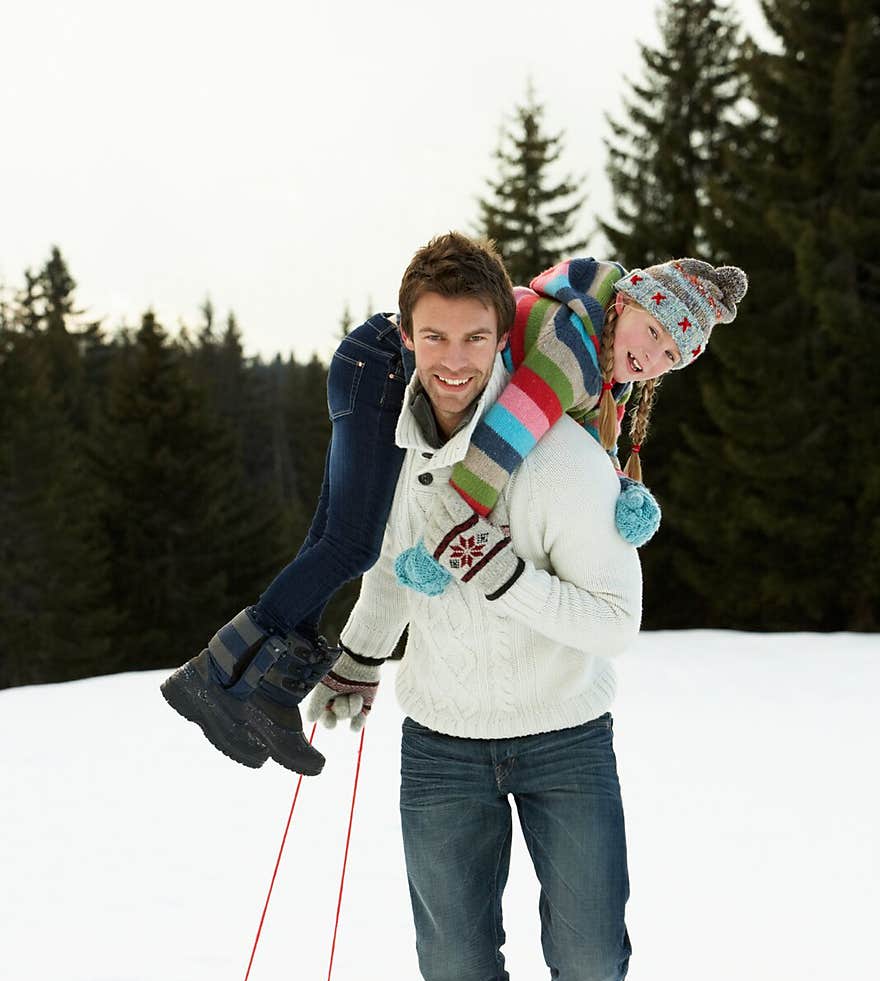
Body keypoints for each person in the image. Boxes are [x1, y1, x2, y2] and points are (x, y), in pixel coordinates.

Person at [302, 231, 748, 981]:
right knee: (454, 964)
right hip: (442, 737)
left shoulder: (564, 459)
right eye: (432, 338)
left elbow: (615, 621)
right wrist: (359, 659)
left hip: (563, 735)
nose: (452, 359)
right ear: (409, 338)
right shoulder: (399, 449)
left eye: (472, 338)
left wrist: (503, 576)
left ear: (506, 335)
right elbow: (386, 567)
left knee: (587, 955)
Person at [160, 228, 744, 778]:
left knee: (331, 538)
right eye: (654, 333)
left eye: (674, 355)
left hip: (376, 360)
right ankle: (214, 674)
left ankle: (271, 692)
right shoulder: (573, 350)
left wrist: (618, 490)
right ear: (627, 305)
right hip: (383, 366)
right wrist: (451, 537)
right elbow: (505, 437)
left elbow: (586, 436)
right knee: (351, 542)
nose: (655, 357)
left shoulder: (601, 349)